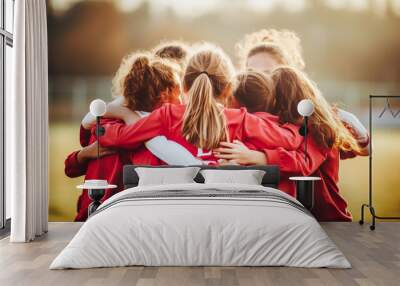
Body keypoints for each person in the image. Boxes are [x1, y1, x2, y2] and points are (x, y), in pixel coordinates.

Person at [96, 43, 304, 166]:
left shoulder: (166, 116)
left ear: (184, 85)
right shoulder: (242, 120)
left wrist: (121, 114)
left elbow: (118, 138)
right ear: (229, 88)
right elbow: (292, 141)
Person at [216, 67, 362, 221]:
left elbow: (303, 163)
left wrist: (257, 157)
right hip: (302, 217)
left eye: (272, 96)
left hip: (328, 218)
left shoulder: (318, 128)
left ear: (283, 99)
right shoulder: (287, 127)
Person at [65, 52, 195, 221]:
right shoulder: (152, 138)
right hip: (120, 220)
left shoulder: (104, 123)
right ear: (165, 95)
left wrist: (83, 153)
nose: (182, 101)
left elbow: (70, 167)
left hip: (90, 218)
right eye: (178, 94)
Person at [235, 29, 370, 155]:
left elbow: (365, 151)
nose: (259, 78)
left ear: (286, 74)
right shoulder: (238, 109)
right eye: (251, 73)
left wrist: (349, 120)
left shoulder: (305, 117)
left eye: (267, 72)